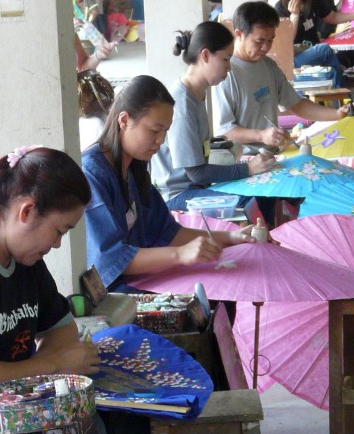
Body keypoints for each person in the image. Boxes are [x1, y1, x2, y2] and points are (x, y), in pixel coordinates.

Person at [82, 74, 260, 294]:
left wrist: (232, 238)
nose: (161, 141)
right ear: (124, 120)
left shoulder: (135, 168)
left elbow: (166, 231)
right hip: (113, 294)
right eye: (155, 131)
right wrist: (181, 254)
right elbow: (110, 258)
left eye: (166, 131)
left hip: (139, 281)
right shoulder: (92, 173)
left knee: (221, 288)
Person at [0, 146, 100, 393]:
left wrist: (39, 370)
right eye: (59, 231)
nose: (57, 244)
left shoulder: (25, 258)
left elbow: (63, 332)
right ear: (27, 211)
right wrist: (53, 365)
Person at [150, 21, 277, 220]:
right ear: (205, 55)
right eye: (226, 59)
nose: (229, 68)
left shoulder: (197, 95)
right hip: (178, 196)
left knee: (267, 188)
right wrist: (248, 168)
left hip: (196, 187)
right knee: (253, 200)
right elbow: (197, 174)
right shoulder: (181, 104)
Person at [213, 1, 354, 155]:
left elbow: (296, 104)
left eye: (270, 40)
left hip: (271, 154)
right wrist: (261, 135)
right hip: (242, 160)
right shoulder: (226, 72)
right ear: (239, 34)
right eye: (259, 41)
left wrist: (337, 114)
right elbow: (224, 130)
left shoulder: (268, 66)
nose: (266, 47)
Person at [273, 0, 354, 88]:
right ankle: (344, 82)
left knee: (336, 66)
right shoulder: (280, 8)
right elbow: (287, 40)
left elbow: (333, 17)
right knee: (325, 49)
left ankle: (342, 95)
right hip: (292, 60)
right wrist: (294, 15)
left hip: (312, 51)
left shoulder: (313, 2)